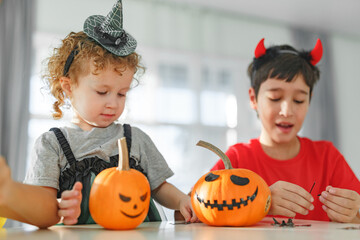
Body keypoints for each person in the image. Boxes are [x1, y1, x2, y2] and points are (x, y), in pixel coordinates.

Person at [0, 0, 197, 228]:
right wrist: (61, 207)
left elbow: (159, 187)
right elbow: (41, 204)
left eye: (122, 94)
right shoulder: (51, 144)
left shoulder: (136, 139)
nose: (113, 103)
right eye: (102, 92)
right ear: (69, 86)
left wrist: (181, 199)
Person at [210, 38, 360, 223]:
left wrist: (352, 214)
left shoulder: (327, 157)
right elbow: (193, 211)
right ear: (253, 98)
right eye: (274, 98)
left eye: (298, 100)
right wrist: (259, 201)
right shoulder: (236, 159)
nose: (287, 111)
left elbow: (356, 218)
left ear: (309, 100)